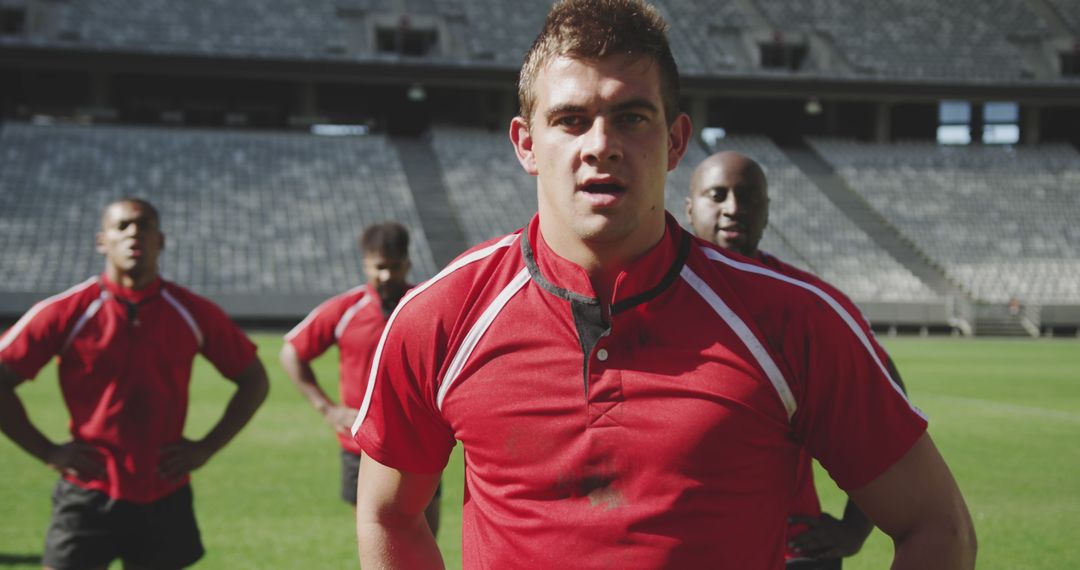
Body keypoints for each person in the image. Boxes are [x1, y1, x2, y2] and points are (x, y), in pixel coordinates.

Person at [351, 1, 976, 568]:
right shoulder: (443, 316)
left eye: (631, 117)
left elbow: (936, 528)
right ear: (526, 144)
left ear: (675, 141)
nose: (602, 145)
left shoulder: (790, 319)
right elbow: (388, 514)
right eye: (571, 119)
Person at [0, 198, 269, 570]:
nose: (134, 234)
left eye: (144, 226)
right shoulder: (67, 311)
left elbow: (254, 379)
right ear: (101, 241)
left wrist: (207, 446)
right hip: (88, 491)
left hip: (164, 491)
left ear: (162, 240)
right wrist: (48, 451)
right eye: (122, 226)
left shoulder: (191, 311)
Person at [686, 150, 909, 568]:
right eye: (718, 195)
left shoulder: (808, 304)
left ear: (767, 211)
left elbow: (889, 400)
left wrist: (855, 528)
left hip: (793, 553)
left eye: (749, 196)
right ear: (688, 206)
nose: (734, 208)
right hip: (686, 551)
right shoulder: (653, 299)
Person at [279, 222, 439, 533]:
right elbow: (291, 353)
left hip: (422, 443)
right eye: (379, 267)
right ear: (365, 264)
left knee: (426, 541)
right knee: (378, 542)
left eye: (394, 267)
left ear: (408, 262)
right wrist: (328, 409)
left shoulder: (427, 303)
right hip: (362, 447)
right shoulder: (347, 309)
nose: (386, 276)